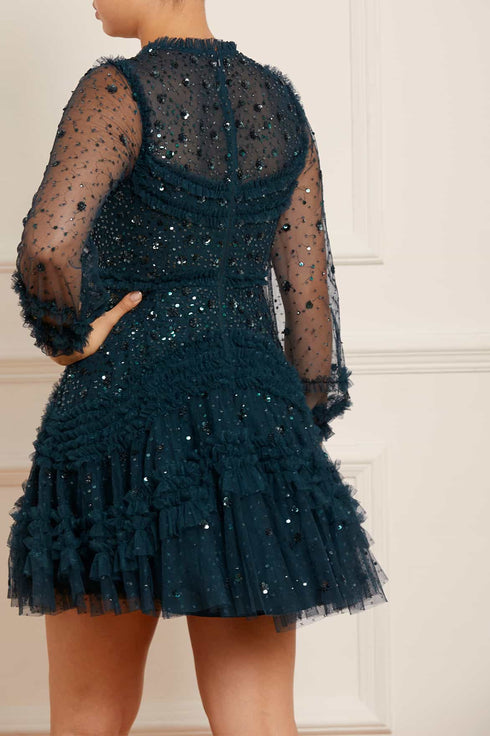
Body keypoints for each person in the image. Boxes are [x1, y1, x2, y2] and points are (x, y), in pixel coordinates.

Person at [7, 0, 389, 734]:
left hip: (119, 418)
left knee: (88, 715)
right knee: (260, 718)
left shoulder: (117, 91)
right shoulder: (279, 104)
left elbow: (48, 248)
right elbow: (309, 306)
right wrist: (284, 435)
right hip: (256, 418)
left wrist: (69, 336)